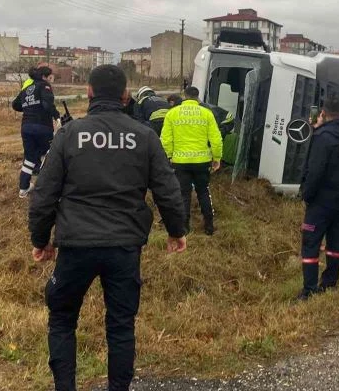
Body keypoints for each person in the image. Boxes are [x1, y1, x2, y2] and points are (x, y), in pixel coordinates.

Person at [28, 65, 187, 391]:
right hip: (124, 247)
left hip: (75, 246)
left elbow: (44, 194)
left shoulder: (69, 136)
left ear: (88, 92)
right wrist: (176, 230)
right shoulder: (144, 136)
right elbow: (167, 189)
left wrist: (41, 240)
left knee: (61, 318)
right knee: (121, 325)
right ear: (125, 95)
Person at [297, 99, 339, 300]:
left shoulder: (322, 137)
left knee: (310, 243)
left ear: (323, 113)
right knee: (335, 243)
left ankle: (309, 288)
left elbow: (315, 171)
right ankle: (330, 281)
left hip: (321, 202)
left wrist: (306, 194)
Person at [161, 86, 223, 235]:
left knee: (183, 194)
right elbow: (216, 139)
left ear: (184, 96)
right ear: (197, 97)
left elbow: (166, 140)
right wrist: (217, 158)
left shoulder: (172, 114)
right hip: (202, 161)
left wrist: (169, 156)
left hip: (180, 162)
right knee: (203, 191)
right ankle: (209, 226)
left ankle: (184, 227)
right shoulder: (207, 113)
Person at [12, 66, 60, 198]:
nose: (51, 80)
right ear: (46, 76)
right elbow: (47, 104)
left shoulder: (27, 88)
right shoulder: (44, 86)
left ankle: (23, 188)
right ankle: (47, 188)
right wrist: (56, 116)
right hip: (42, 126)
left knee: (29, 158)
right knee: (47, 156)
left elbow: (15, 105)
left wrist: (29, 108)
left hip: (26, 127)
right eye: (51, 77)